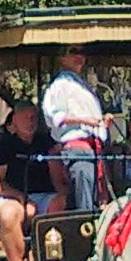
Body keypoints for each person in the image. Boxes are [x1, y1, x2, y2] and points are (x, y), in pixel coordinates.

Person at [0, 103, 59, 261]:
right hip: (13, 196)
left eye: (33, 117)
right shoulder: (5, 145)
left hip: (45, 195)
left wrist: (64, 193)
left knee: (60, 208)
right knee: (8, 215)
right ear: (14, 119)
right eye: (25, 117)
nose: (30, 121)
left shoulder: (46, 142)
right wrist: (20, 197)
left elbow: (57, 176)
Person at [40, 48, 112, 212]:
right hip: (78, 149)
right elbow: (55, 117)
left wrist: (101, 123)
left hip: (95, 149)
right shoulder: (60, 84)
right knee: (83, 204)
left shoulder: (83, 85)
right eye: (73, 52)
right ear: (62, 58)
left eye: (82, 52)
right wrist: (86, 121)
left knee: (96, 202)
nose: (79, 56)